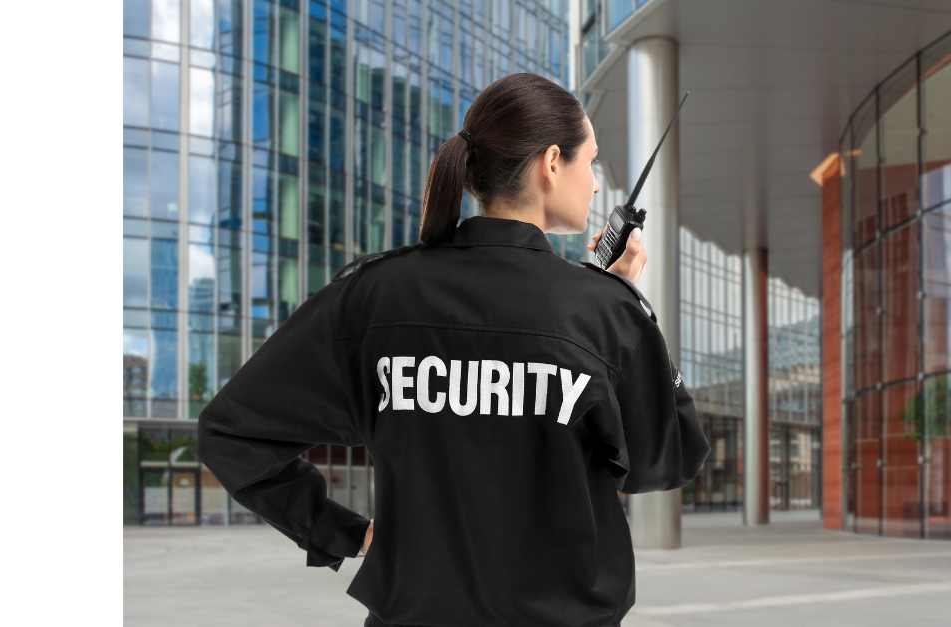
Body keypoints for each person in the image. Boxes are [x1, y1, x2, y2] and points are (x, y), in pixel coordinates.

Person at [198, 73, 711, 627]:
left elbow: (230, 432)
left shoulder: (370, 294)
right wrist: (631, 304)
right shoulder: (601, 310)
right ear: (552, 162)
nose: (593, 185)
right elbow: (673, 457)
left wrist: (338, 531)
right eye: (590, 163)